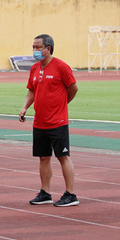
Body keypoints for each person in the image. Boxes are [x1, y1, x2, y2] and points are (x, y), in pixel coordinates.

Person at [19, 34, 79, 207]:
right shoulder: (35, 69)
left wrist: (63, 103)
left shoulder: (61, 67)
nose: (35, 50)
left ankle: (71, 194)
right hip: (40, 122)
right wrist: (25, 107)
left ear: (48, 49)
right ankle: (45, 192)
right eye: (33, 47)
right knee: (43, 157)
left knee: (62, 156)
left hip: (58, 122)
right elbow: (31, 90)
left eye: (38, 47)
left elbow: (73, 88)